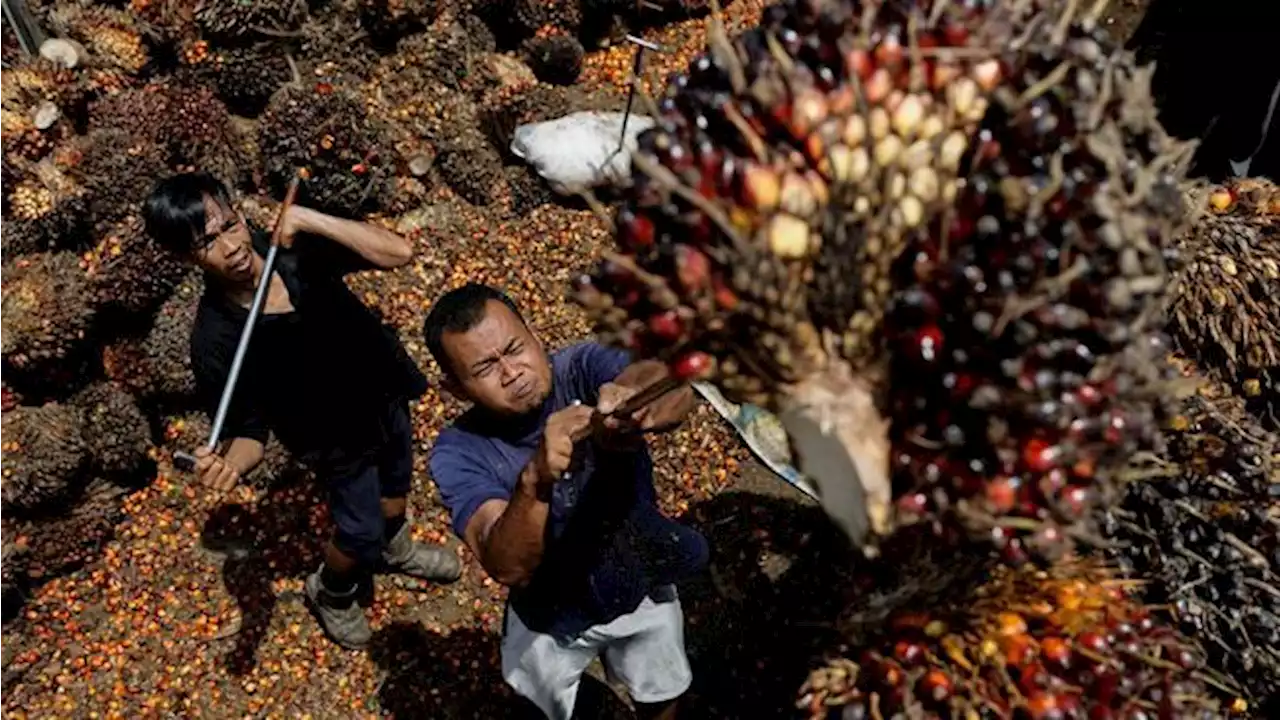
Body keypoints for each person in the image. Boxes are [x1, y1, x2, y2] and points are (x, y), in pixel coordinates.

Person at [143, 172, 461, 649]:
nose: (230, 246)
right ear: (185, 257)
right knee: (358, 530)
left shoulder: (292, 248)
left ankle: (397, 551)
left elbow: (400, 253)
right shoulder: (215, 340)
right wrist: (230, 465)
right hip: (330, 438)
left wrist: (309, 219)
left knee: (396, 492)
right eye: (207, 242)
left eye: (229, 225)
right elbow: (248, 432)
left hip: (381, 389)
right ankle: (331, 591)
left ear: (238, 212)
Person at [423, 283, 708, 720]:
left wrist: (632, 404)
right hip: (548, 615)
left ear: (535, 336)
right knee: (538, 702)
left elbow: (664, 384)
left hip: (640, 579)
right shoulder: (458, 452)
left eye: (514, 349)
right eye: (484, 368)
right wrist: (535, 479)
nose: (512, 372)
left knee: (660, 690)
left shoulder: (583, 367)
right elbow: (507, 565)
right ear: (456, 389)